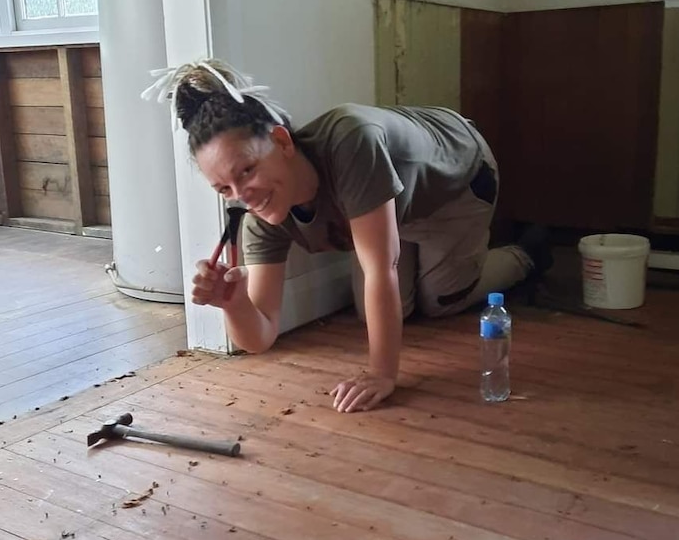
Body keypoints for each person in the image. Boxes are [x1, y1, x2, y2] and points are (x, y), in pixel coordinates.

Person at [143, 59, 551, 413]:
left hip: (457, 179)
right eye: (224, 189)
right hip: (393, 204)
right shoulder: (259, 217)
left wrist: (381, 374)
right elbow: (261, 336)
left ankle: (527, 254)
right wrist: (232, 305)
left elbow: (381, 269)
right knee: (388, 309)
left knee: (440, 299)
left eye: (246, 170)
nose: (241, 196)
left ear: (282, 142)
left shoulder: (351, 140)